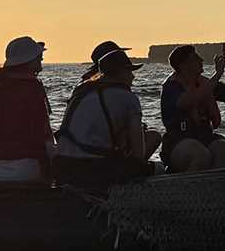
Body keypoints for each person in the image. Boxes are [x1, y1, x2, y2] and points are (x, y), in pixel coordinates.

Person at [54, 40, 158, 184]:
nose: (133, 76)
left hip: (63, 164)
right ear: (120, 72)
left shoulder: (81, 91)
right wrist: (141, 168)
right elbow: (138, 152)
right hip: (95, 167)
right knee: (157, 167)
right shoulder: (128, 98)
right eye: (129, 71)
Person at [159, 44, 225, 173]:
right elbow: (188, 100)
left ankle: (219, 187)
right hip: (178, 142)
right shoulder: (171, 88)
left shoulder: (204, 83)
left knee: (224, 149)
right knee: (199, 154)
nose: (201, 60)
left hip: (204, 137)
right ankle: (189, 189)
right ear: (183, 65)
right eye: (196, 58)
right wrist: (218, 74)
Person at [0, 36, 55, 183]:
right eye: (38, 56)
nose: (41, 58)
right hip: (25, 169)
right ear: (28, 61)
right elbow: (45, 131)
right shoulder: (33, 87)